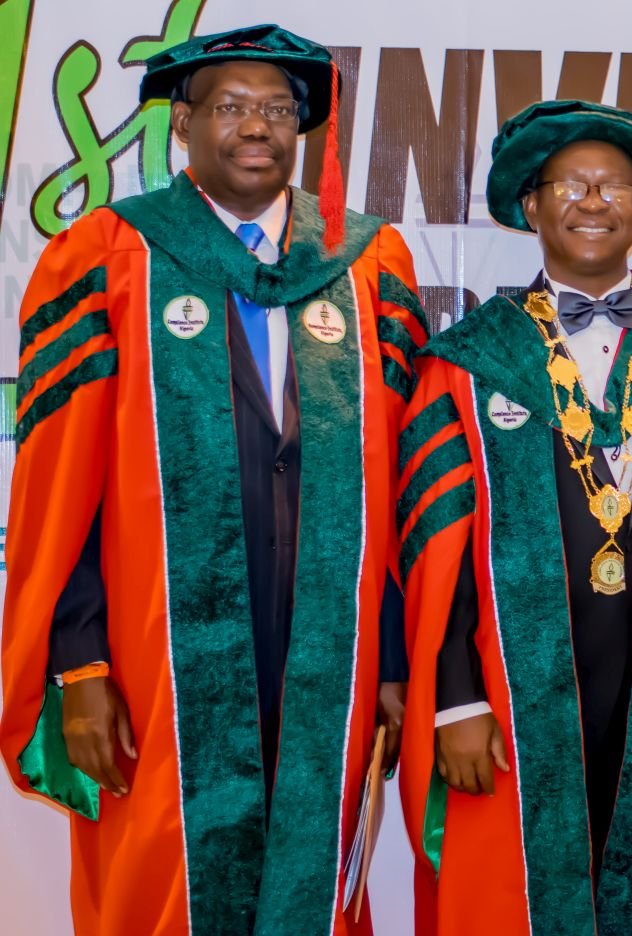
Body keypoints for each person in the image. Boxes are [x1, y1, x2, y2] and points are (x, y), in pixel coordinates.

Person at [0, 25, 427, 935]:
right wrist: (81, 660)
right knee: (166, 875)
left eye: (277, 109)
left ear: (303, 130)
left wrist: (392, 656)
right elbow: (61, 487)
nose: (256, 127)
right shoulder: (107, 255)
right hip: (154, 649)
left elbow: (399, 492)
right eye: (230, 107)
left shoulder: (367, 265)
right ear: (183, 123)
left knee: (315, 871)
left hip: (330, 647)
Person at [395, 99, 632, 934]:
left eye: (615, 185)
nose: (593, 201)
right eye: (570, 184)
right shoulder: (471, 362)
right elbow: (434, 549)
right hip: (513, 691)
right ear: (531, 205)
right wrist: (455, 699)